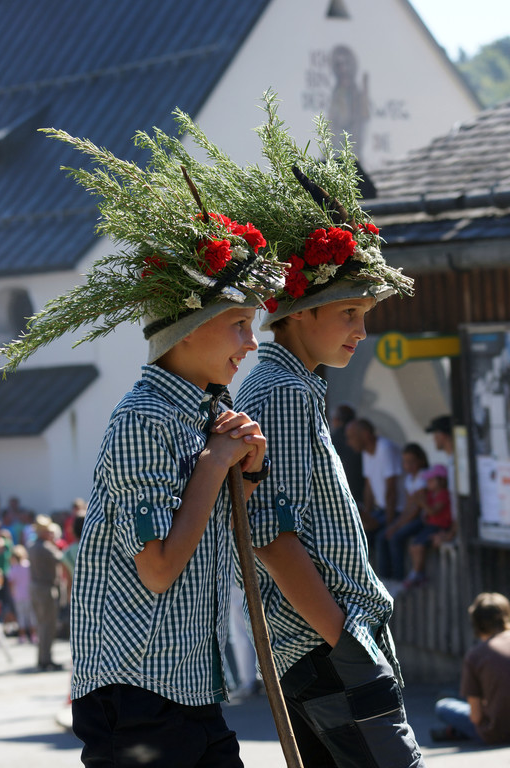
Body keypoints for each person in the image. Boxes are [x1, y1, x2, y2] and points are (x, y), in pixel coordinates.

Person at [0, 110, 284, 767]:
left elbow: (218, 521)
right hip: (136, 685)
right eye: (238, 323)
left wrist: (248, 470)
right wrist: (215, 466)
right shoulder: (143, 419)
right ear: (187, 330)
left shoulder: (206, 409)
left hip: (186, 677)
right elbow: (156, 570)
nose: (251, 341)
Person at [234, 97, 424, 767]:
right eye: (347, 310)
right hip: (326, 650)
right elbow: (269, 534)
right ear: (298, 313)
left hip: (326, 648)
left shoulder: (291, 385)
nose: (360, 329)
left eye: (364, 311)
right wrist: (344, 638)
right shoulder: (281, 390)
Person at [433, 592, 510, 744]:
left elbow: (476, 717)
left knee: (443, 706)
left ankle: (457, 730)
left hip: (497, 733)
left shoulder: (475, 655)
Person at [345, 418, 406, 580]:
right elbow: (369, 486)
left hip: (397, 510)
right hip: (382, 510)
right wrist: (368, 514)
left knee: (382, 537)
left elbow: (391, 490)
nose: (349, 442)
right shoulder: (367, 452)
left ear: (365, 435)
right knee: (359, 534)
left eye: (351, 436)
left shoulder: (385, 449)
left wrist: (389, 522)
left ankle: (390, 582)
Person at [384, 443, 429, 583]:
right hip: (414, 517)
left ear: (420, 461)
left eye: (411, 462)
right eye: (405, 462)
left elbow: (416, 510)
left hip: (423, 519)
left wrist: (397, 526)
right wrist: (395, 524)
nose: (407, 465)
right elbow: (409, 507)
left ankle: (398, 577)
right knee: (385, 536)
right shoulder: (410, 479)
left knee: (396, 537)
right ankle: (386, 576)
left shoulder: (424, 477)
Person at [403, 464, 452, 589]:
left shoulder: (443, 494)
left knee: (418, 546)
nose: (428, 483)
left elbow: (434, 511)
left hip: (440, 527)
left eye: (431, 480)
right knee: (413, 546)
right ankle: (418, 573)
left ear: (441, 480)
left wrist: (422, 503)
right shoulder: (431, 494)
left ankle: (416, 574)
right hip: (431, 526)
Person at [27, 515, 63, 670]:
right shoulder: (46, 547)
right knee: (48, 625)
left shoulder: (32, 545)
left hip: (35, 587)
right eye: (48, 531)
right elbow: (62, 558)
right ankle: (46, 659)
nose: (51, 534)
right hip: (46, 588)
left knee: (41, 624)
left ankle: (42, 658)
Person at [425, 414, 458, 543]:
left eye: (435, 434)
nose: (434, 439)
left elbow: (461, 501)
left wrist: (451, 534)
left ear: (443, 435)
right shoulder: (451, 461)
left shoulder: (458, 464)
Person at [330, 403, 364, 505]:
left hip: (344, 492)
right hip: (361, 490)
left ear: (336, 420)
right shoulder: (359, 434)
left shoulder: (332, 439)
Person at [7, 544, 35, 643]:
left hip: (19, 595)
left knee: (21, 616)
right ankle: (33, 635)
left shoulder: (14, 568)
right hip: (29, 594)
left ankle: (22, 636)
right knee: (31, 615)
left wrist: (13, 592)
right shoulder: (28, 565)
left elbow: (11, 583)